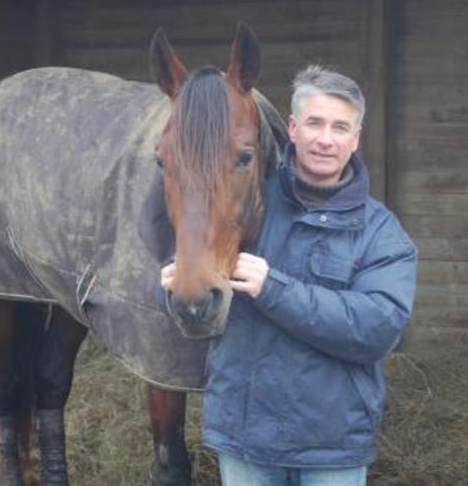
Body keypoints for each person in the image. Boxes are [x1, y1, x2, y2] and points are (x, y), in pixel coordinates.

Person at [161, 65, 417, 485]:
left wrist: (274, 289)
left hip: (330, 447)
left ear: (356, 139)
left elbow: (377, 328)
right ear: (293, 128)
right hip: (246, 440)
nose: (325, 139)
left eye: (340, 127)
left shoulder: (380, 232)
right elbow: (200, 296)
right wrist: (172, 287)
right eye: (314, 123)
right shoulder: (244, 205)